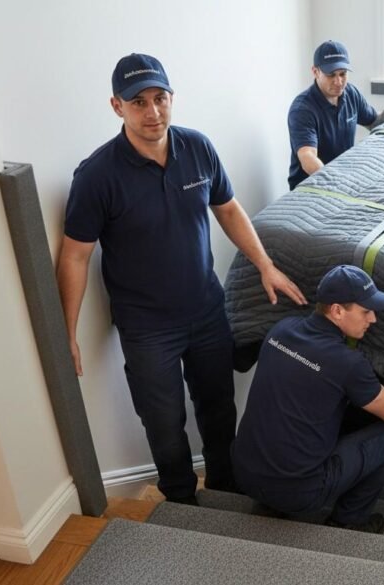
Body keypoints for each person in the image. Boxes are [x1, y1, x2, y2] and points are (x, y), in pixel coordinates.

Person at [57, 53, 307, 505]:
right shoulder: (97, 175)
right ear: (117, 106)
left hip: (207, 311)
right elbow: (74, 256)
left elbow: (228, 209)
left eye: (160, 98)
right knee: (163, 420)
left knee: (218, 407)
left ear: (172, 98)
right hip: (147, 327)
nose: (152, 112)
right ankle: (180, 502)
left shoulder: (198, 148)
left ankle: (226, 485)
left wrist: (266, 264)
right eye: (139, 103)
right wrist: (67, 332)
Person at [232, 265, 384, 534]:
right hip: (299, 494)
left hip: (244, 476)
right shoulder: (348, 363)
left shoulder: (280, 331)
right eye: (366, 311)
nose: (373, 319)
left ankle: (269, 502)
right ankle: (349, 519)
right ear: (337, 310)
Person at [287, 40, 384, 190]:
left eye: (343, 74)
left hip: (343, 176)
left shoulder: (350, 93)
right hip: (311, 185)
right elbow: (308, 156)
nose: (338, 81)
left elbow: (372, 121)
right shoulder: (302, 110)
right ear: (315, 72)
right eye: (331, 75)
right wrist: (332, 181)